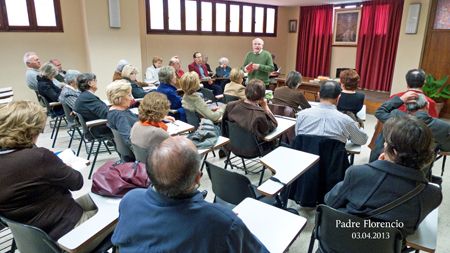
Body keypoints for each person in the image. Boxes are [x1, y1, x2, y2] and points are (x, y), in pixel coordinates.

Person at [111, 136, 269, 252]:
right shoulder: (224, 223)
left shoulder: (130, 199)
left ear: (149, 174)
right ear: (197, 179)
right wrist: (223, 219)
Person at [325, 116, 442, 237]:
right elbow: (411, 228)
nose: (384, 144)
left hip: (339, 244)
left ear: (395, 152)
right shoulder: (433, 194)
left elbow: (330, 202)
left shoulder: (358, 173)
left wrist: (377, 165)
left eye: (385, 142)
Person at [0, 101, 98, 241]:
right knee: (122, 207)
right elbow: (77, 182)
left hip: (32, 240)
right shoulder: (38, 157)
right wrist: (63, 166)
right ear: (31, 131)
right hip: (68, 230)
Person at [370, 92, 450, 161]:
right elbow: (446, 148)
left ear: (406, 106)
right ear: (427, 105)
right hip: (419, 172)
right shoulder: (443, 127)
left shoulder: (395, 117)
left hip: (391, 163)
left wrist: (401, 99)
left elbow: (380, 112)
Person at [295, 81, 368, 145]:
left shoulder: (301, 115)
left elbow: (297, 136)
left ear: (318, 95)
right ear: (339, 97)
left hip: (307, 159)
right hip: (334, 160)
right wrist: (360, 127)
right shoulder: (346, 120)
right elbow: (362, 141)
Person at [222, 79, 278, 153]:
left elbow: (224, 126)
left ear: (246, 91)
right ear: (262, 97)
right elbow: (274, 123)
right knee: (277, 142)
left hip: (234, 146)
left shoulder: (231, 105)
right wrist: (265, 106)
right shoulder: (259, 115)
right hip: (252, 151)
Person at [130, 92, 173, 160]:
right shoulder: (156, 132)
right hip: (159, 167)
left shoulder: (136, 125)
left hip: (143, 165)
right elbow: (176, 150)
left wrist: (162, 118)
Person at [74, 72, 112, 138]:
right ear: (90, 83)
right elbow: (105, 114)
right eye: (95, 80)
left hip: (98, 126)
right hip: (100, 129)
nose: (96, 82)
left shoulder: (85, 96)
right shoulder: (87, 98)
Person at [106, 80, 138, 150]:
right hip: (139, 152)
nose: (132, 98)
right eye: (129, 95)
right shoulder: (120, 116)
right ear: (119, 98)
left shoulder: (117, 110)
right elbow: (129, 140)